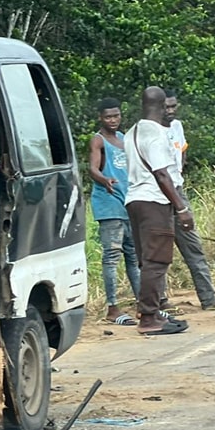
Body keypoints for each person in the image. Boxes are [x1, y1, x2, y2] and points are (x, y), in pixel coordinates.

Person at [159, 90, 215, 311]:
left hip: (177, 188)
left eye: (174, 106)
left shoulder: (177, 127)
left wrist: (179, 174)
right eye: (166, 107)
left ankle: (208, 297)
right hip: (157, 195)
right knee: (160, 252)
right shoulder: (150, 131)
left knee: (193, 246)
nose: (171, 111)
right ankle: (161, 302)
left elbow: (182, 152)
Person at [123, 86, 191, 335]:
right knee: (157, 261)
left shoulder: (131, 132)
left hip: (134, 200)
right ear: (162, 107)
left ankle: (149, 312)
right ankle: (149, 318)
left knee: (146, 261)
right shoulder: (156, 135)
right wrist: (181, 208)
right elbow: (162, 175)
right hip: (154, 201)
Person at [88, 98, 141, 325]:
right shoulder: (98, 141)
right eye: (108, 117)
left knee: (134, 256)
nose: (112, 120)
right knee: (111, 258)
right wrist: (103, 179)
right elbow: (92, 168)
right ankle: (112, 307)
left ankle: (143, 304)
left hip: (127, 203)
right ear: (101, 117)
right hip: (109, 206)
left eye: (116, 116)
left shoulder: (123, 139)